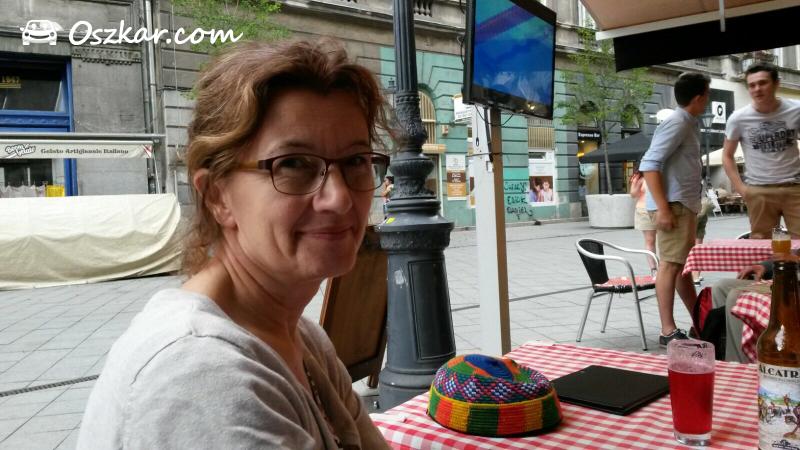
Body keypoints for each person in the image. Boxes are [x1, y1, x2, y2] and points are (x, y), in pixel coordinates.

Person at [76, 39, 392, 449]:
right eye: (293, 164)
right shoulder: (201, 374)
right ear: (217, 196)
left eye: (355, 161)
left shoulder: (303, 338)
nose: (340, 198)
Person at [639, 72, 710, 346]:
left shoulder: (686, 122)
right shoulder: (678, 122)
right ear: (699, 97)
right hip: (674, 205)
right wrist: (663, 208)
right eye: (707, 94)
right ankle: (667, 330)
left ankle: (700, 322)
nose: (708, 99)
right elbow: (649, 164)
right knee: (670, 266)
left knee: (681, 267)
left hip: (681, 205)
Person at [722, 63, 800, 238]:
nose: (757, 89)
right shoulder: (738, 118)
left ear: (776, 83)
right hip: (759, 190)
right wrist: (742, 189)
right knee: (761, 244)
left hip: (795, 188)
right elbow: (727, 155)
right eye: (752, 85)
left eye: (763, 83)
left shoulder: (796, 109)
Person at [629, 168, 657, 273]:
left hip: (661, 210)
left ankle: (665, 268)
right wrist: (636, 182)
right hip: (644, 211)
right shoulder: (640, 177)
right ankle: (654, 269)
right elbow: (633, 194)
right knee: (650, 240)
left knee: (664, 241)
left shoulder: (661, 172)